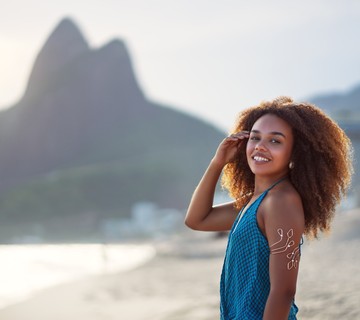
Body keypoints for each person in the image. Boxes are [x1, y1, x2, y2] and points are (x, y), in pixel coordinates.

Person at [184, 96, 353, 320]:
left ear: (295, 152)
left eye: (275, 141)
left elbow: (283, 292)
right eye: (255, 138)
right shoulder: (257, 202)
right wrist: (218, 163)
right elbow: (197, 220)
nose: (260, 147)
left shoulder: (281, 202)